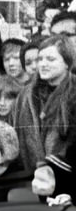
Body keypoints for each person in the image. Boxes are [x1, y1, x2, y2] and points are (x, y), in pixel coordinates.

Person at [12, 34, 76, 171]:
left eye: (51, 59)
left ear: (67, 63)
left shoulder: (74, 93)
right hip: (31, 177)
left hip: (67, 178)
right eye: (40, 59)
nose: (43, 64)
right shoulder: (26, 95)